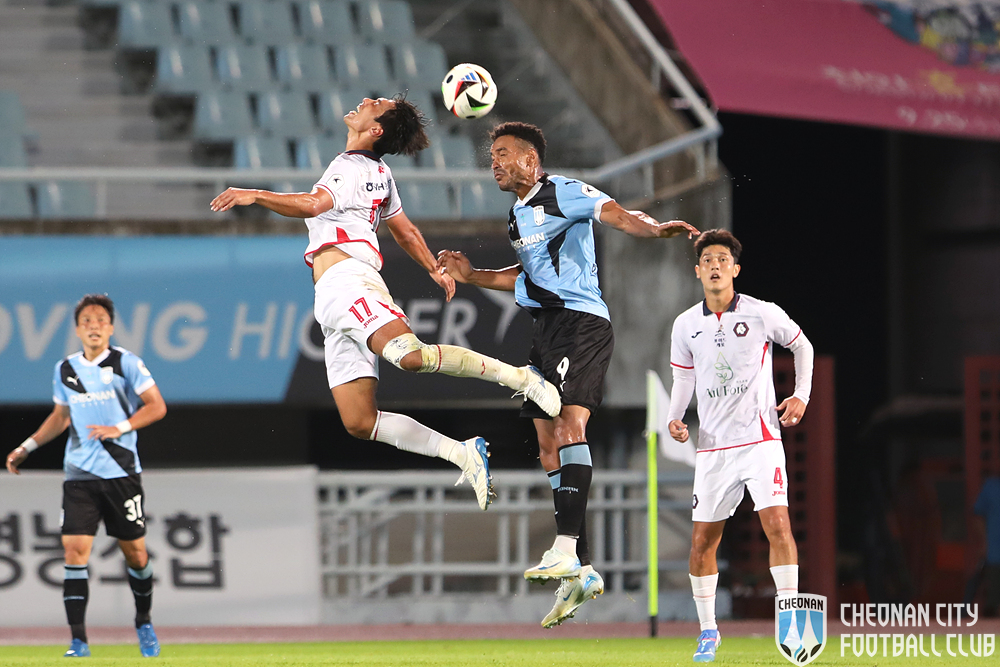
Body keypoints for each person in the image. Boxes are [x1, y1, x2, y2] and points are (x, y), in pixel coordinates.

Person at [209, 96, 561, 512]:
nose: (365, 100)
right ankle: (461, 452)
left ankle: (521, 378)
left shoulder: (349, 166)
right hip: (332, 299)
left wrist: (254, 194)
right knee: (360, 422)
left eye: (374, 103)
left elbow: (313, 204)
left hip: (349, 282)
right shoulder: (379, 172)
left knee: (409, 357)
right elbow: (404, 229)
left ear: (375, 129)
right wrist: (433, 268)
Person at [437, 121, 698, 628]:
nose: (494, 162)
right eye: (492, 154)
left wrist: (655, 229)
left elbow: (616, 214)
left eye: (504, 153)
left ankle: (564, 546)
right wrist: (472, 276)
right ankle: (580, 572)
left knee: (569, 428)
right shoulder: (516, 215)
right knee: (546, 446)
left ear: (531, 160)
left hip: (582, 324)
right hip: (546, 330)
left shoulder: (563, 191)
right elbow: (526, 276)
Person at [666, 229, 814, 662]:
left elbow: (802, 345)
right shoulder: (685, 325)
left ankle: (790, 622)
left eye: (722, 260)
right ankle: (708, 631)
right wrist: (675, 416)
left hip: (760, 440)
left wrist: (801, 395)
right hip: (714, 448)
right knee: (701, 543)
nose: (715, 266)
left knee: (778, 526)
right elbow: (683, 377)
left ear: (735, 269)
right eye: (707, 260)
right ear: (697, 271)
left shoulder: (761, 312)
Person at [5, 294, 167, 658]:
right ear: (78, 330)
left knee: (136, 554)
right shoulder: (65, 369)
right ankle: (78, 640)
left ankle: (143, 620)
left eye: (100, 320)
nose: (94, 326)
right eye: (87, 321)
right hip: (79, 474)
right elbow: (61, 416)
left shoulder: (126, 363)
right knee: (74, 551)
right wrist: (27, 447)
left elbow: (157, 406)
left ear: (111, 328)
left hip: (121, 473)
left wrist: (119, 427)